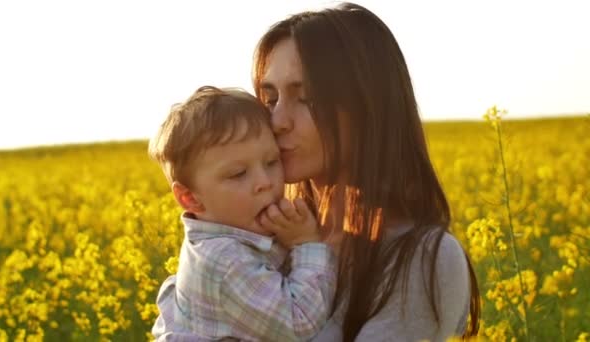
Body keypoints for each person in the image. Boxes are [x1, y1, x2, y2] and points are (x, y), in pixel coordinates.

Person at [252, 2, 480, 341]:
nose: (277, 121)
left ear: (368, 108)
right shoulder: (263, 238)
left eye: (307, 99)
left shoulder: (422, 259)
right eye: (271, 100)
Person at [148, 86, 337, 341]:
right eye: (238, 174)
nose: (265, 182)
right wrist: (306, 244)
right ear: (190, 198)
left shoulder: (223, 243)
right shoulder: (225, 261)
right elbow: (299, 323)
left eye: (272, 162)